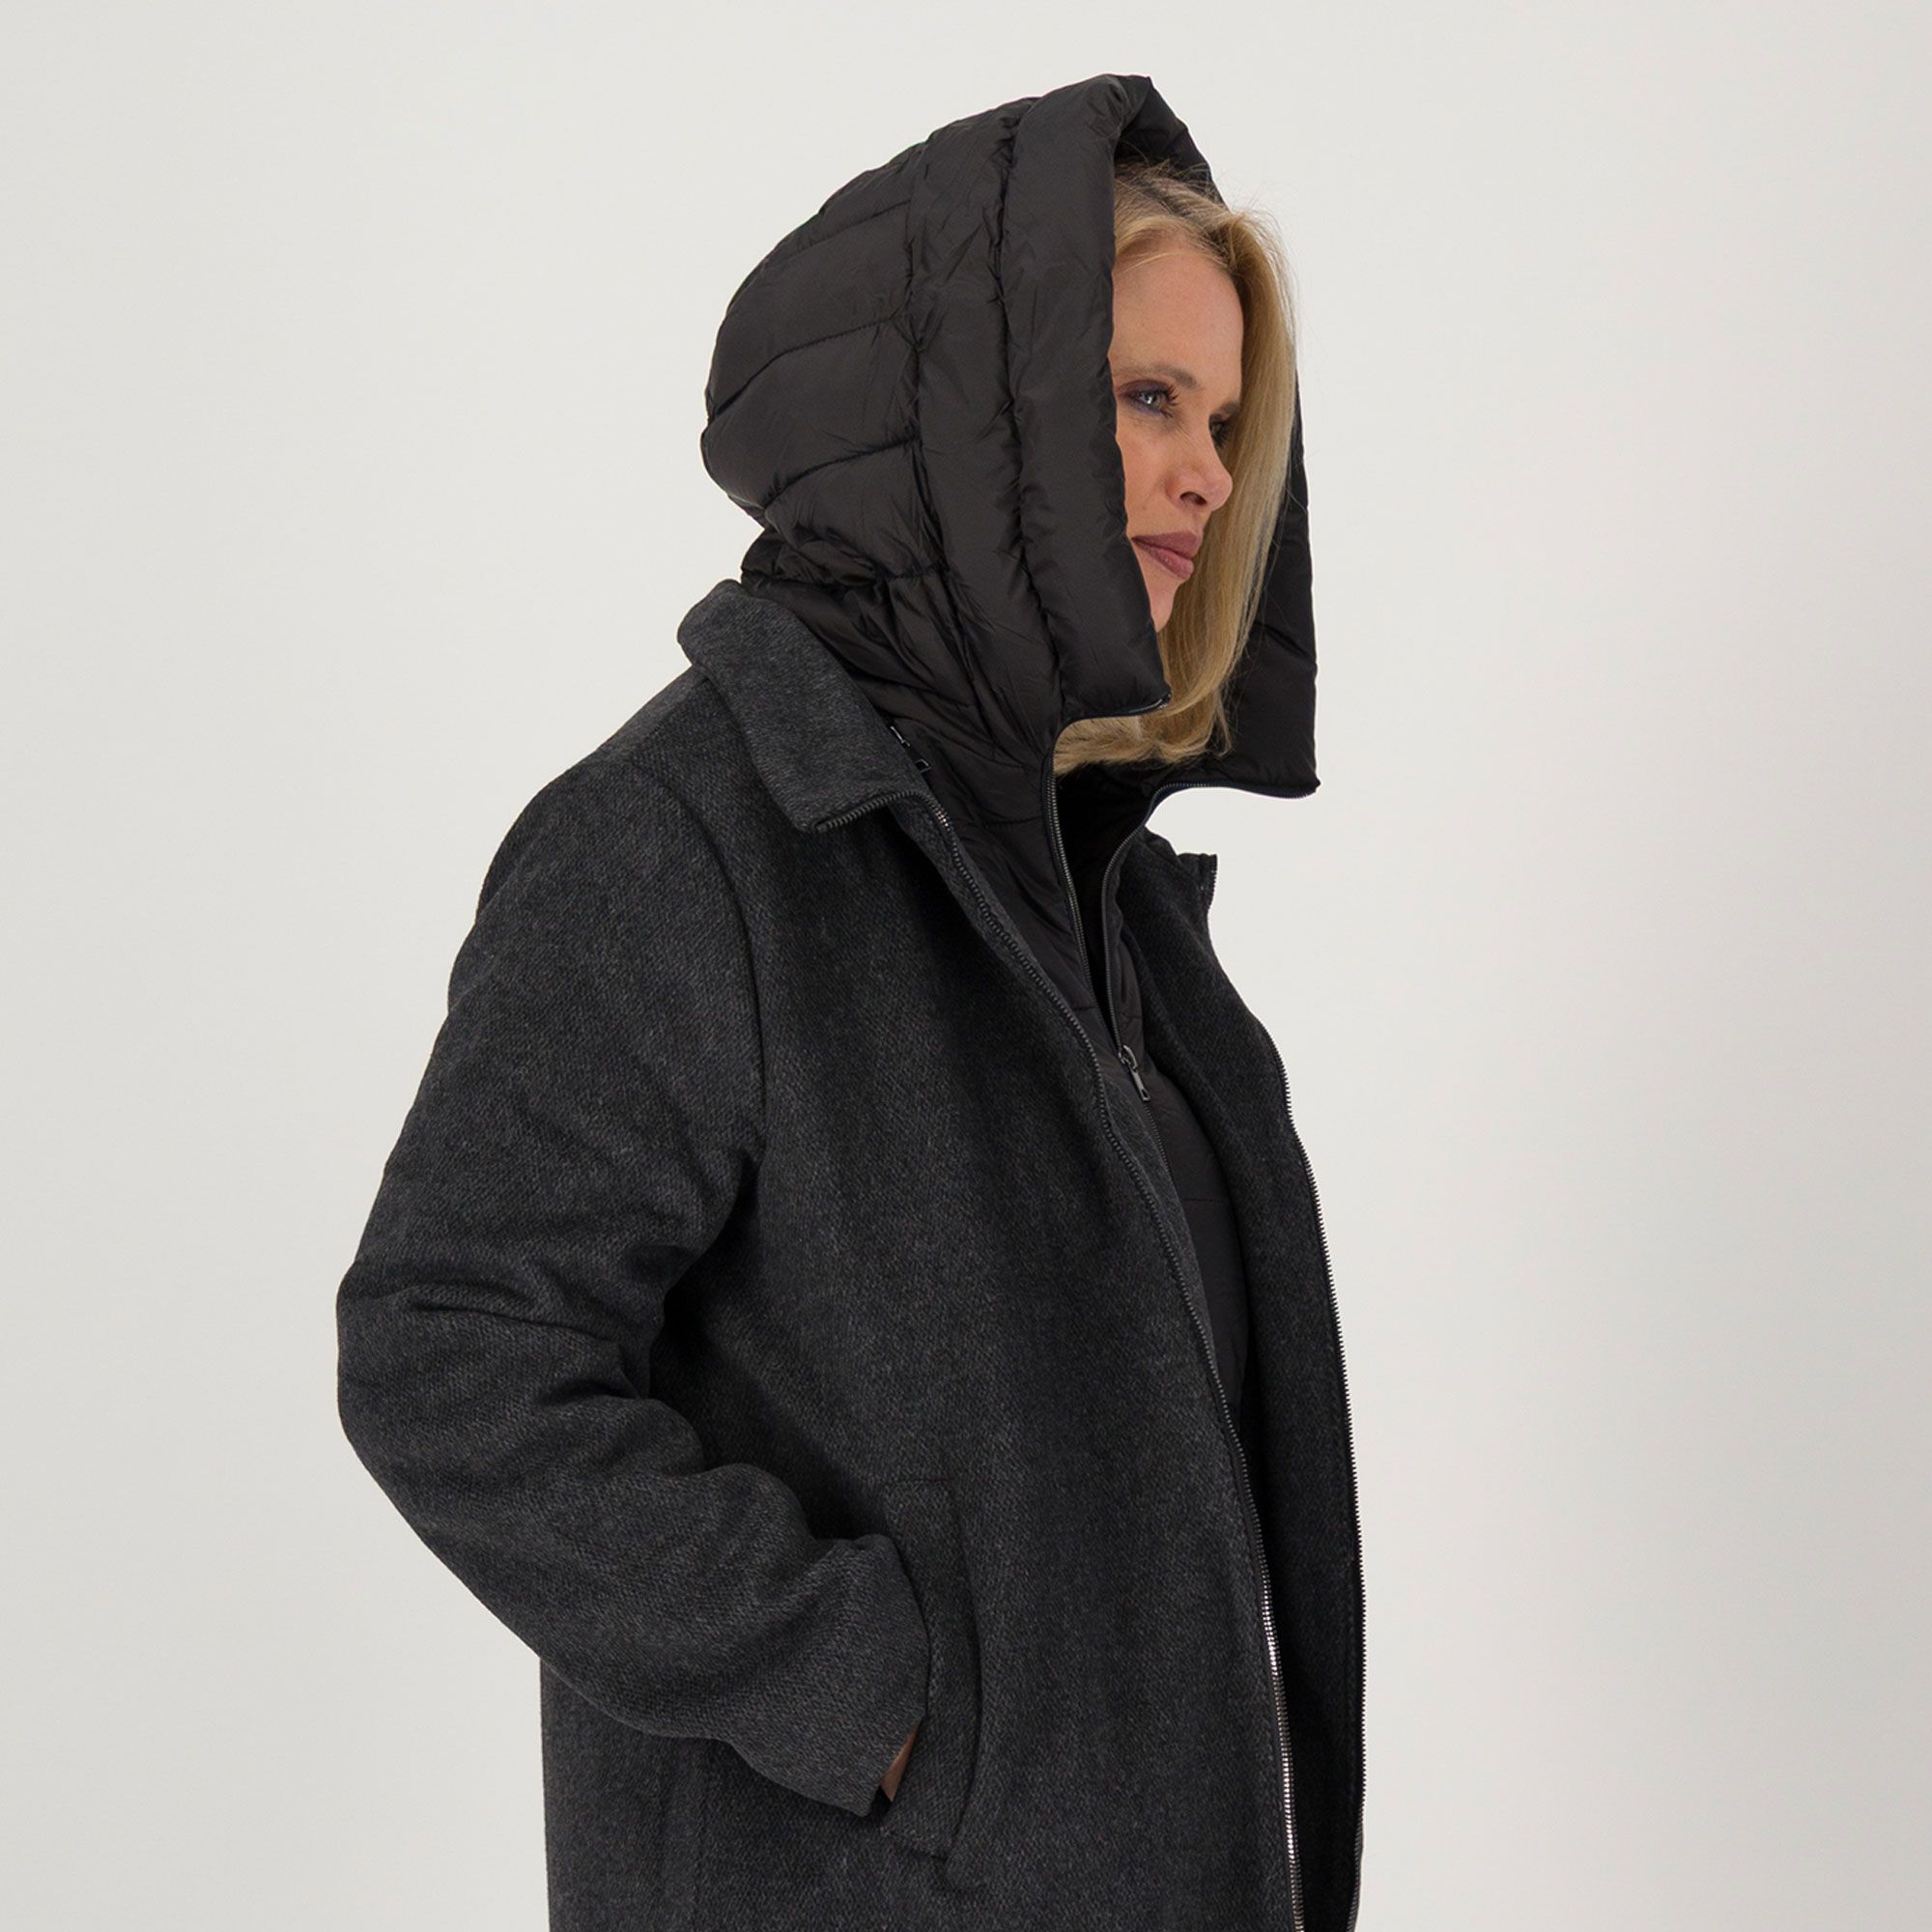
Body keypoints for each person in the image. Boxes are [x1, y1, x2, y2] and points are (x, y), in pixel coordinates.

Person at [336, 71, 1364, 1932]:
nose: (1213, 475)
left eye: (1223, 421)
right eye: (1149, 399)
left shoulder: (1089, 885)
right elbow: (448, 1348)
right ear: (970, 418)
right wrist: (870, 1701)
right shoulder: (685, 838)